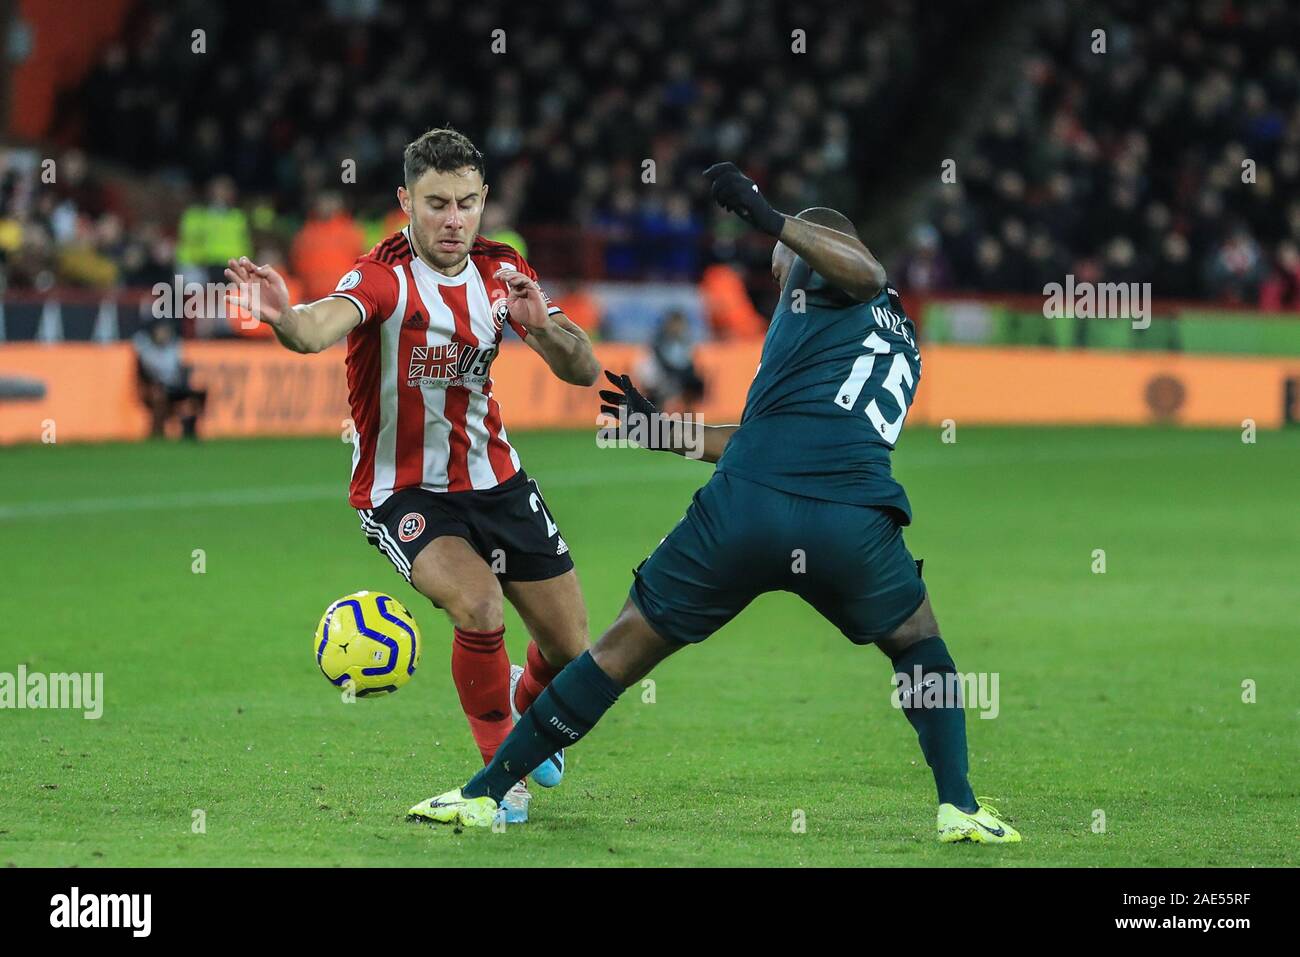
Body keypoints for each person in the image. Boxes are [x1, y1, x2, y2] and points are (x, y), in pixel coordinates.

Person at [409, 163, 1020, 844]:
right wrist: (658, 430)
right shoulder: (898, 337)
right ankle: (959, 804)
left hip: (746, 510)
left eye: (782, 258)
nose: (778, 268)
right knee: (917, 642)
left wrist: (771, 217)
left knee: (614, 653)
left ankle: (485, 794)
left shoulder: (830, 279)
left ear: (816, 248)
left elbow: (865, 270)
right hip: (850, 522)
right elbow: (762, 436)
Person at [225, 128, 601, 824]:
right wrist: (282, 315)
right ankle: (499, 778)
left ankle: (518, 700)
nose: (452, 220)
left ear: (485, 199)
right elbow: (316, 328)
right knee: (480, 606)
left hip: (498, 479)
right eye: (435, 204)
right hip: (404, 491)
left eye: (465, 202)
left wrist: (541, 329)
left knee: (573, 652)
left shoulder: (503, 269)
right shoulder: (382, 275)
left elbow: (583, 369)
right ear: (405, 202)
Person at [133, 319, 208, 439]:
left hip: (174, 387)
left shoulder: (174, 348)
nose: (164, 334)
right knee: (159, 395)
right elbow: (145, 373)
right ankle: (157, 432)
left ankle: (190, 427)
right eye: (161, 331)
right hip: (157, 388)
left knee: (200, 393)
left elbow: (180, 368)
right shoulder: (147, 350)